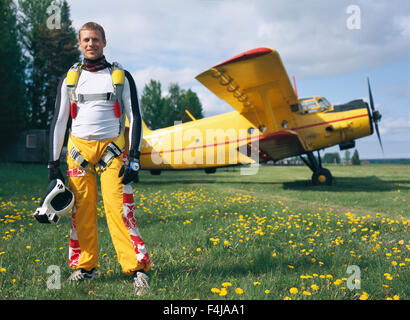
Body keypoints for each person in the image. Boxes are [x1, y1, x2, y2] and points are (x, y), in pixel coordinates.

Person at [48, 22, 151, 295]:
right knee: (81, 211)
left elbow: (135, 117)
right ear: (79, 43)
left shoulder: (120, 76)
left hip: (113, 152)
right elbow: (59, 121)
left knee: (120, 210)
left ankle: (137, 270)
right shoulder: (70, 78)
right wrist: (53, 162)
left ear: (104, 42)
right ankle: (85, 268)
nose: (91, 44)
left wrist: (134, 158)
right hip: (77, 153)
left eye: (95, 39)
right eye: (86, 40)